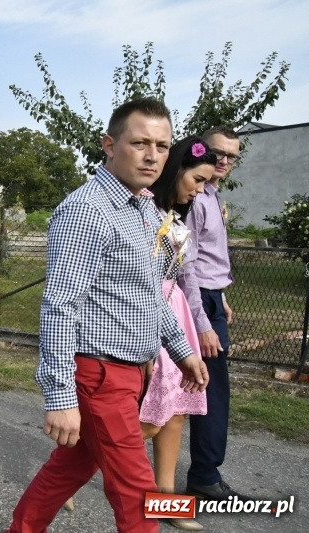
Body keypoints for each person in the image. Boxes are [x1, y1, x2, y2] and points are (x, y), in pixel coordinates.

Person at [6, 98, 209, 533]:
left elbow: (148, 293)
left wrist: (181, 349)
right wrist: (60, 398)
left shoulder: (143, 208)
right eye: (139, 143)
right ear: (109, 145)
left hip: (132, 371)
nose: (153, 155)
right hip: (99, 376)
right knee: (139, 497)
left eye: (161, 144)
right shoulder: (88, 211)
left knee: (69, 470)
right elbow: (60, 306)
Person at [139, 136, 215, 532]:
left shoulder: (177, 214)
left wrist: (198, 323)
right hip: (148, 315)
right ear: (178, 171)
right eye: (198, 180)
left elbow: (186, 275)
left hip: (176, 312)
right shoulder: (144, 210)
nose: (200, 190)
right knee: (149, 416)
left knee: (178, 410)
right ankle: (70, 473)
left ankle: (165, 502)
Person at [180, 126, 250, 501]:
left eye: (231, 156)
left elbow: (206, 260)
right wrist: (204, 321)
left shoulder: (210, 191)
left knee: (200, 389)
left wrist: (219, 295)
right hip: (197, 302)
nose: (223, 160)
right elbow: (185, 264)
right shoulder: (195, 196)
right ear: (199, 149)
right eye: (216, 152)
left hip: (210, 296)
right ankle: (204, 476)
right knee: (209, 391)